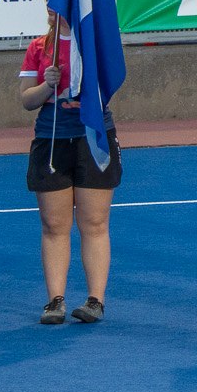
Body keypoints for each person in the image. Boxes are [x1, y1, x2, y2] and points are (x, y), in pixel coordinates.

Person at [21, 18, 120, 326]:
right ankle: (55, 300)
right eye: (52, 6)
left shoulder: (96, 43)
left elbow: (113, 82)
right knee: (54, 224)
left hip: (93, 137)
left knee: (94, 222)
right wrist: (46, 85)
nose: (57, 13)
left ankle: (95, 300)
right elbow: (26, 100)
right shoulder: (39, 47)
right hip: (52, 139)